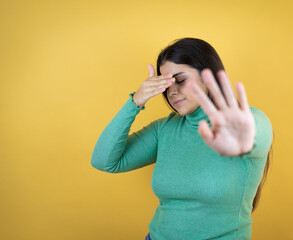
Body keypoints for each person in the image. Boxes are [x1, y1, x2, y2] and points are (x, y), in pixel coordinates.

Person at [91, 37, 274, 240]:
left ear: (208, 77)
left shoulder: (249, 120)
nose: (172, 91)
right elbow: (104, 161)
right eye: (165, 84)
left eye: (180, 80)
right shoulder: (165, 129)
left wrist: (242, 139)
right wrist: (135, 101)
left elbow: (253, 133)